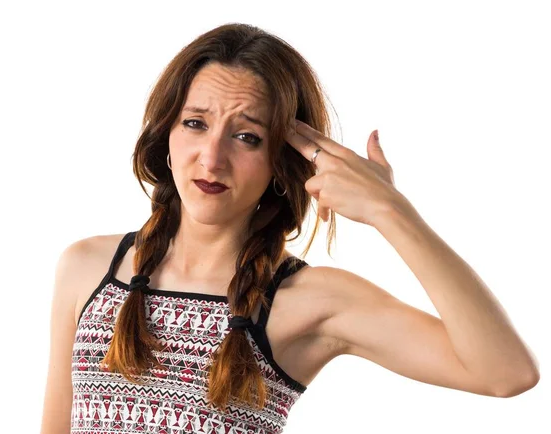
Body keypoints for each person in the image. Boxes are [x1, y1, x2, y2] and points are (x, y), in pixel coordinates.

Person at [40, 22, 539, 434]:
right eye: (195, 123)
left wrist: (391, 211)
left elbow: (506, 372)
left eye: (247, 137)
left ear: (282, 162)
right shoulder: (87, 268)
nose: (212, 158)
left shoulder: (310, 301)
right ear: (164, 134)